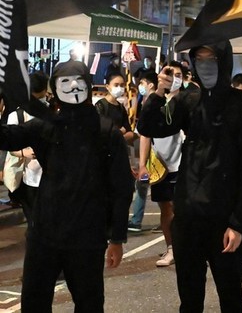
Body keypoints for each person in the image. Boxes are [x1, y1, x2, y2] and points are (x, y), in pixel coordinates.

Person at [0, 61, 133, 311]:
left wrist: (117, 237)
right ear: (55, 88)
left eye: (78, 81)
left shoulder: (106, 131)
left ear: (88, 85)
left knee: (89, 304)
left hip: (87, 237)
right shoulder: (45, 125)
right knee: (35, 303)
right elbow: (7, 137)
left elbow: (122, 187)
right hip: (45, 234)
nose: (72, 86)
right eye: (65, 81)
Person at [139, 42, 242, 312]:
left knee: (231, 297)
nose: (205, 66)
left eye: (212, 59)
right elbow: (149, 126)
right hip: (188, 215)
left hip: (225, 220)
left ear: (224, 61)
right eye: (199, 59)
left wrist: (239, 224)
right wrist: (159, 92)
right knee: (190, 299)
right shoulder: (189, 100)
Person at [139, 62, 185, 267]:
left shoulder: (188, 100)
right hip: (161, 165)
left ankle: (188, 248)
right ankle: (171, 248)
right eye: (169, 74)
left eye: (178, 75)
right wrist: (142, 164)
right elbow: (144, 133)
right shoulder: (154, 101)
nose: (173, 78)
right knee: (166, 208)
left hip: (184, 164)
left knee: (184, 209)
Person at [5, 71, 51, 226]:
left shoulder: (55, 113)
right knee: (34, 222)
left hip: (52, 179)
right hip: (29, 178)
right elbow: (10, 147)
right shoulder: (16, 116)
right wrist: (24, 152)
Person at [128, 71, 159, 233]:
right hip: (145, 149)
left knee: (145, 183)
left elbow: (146, 132)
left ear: (151, 84)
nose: (140, 86)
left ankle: (136, 220)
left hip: (150, 151)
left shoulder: (152, 102)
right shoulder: (147, 100)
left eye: (142, 83)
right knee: (143, 183)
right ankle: (136, 219)